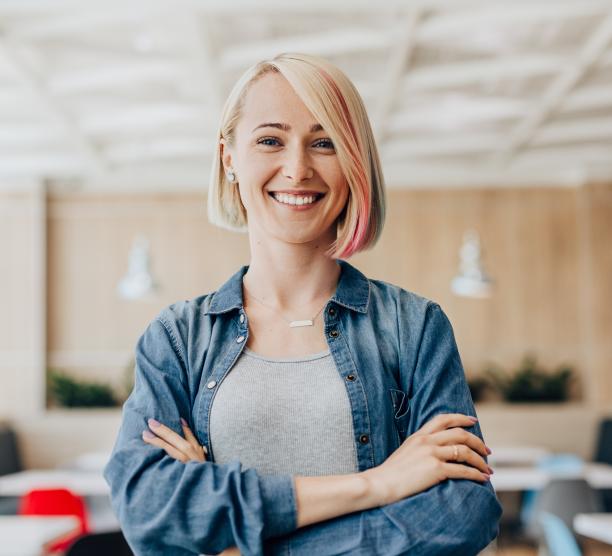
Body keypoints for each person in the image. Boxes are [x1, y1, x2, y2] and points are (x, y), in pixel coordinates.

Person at [103, 52, 502, 556]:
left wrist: (233, 538)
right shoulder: (177, 339)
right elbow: (148, 511)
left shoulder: (414, 327)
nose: (297, 168)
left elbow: (463, 513)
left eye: (325, 143)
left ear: (354, 162)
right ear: (229, 157)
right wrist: (376, 485)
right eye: (270, 140)